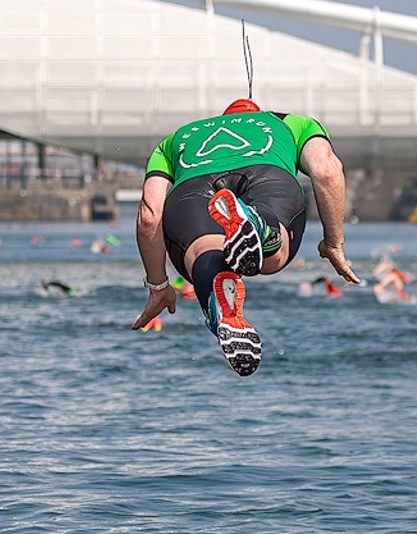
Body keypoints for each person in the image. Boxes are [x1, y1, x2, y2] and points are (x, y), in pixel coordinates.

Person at [131, 99, 361, 375]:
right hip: (268, 175)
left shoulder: (176, 139)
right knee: (273, 259)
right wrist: (333, 243)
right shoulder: (290, 123)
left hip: (192, 190)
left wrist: (158, 286)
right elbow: (327, 171)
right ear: (259, 113)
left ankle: (221, 306)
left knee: (205, 253)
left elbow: (149, 216)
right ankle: (261, 226)